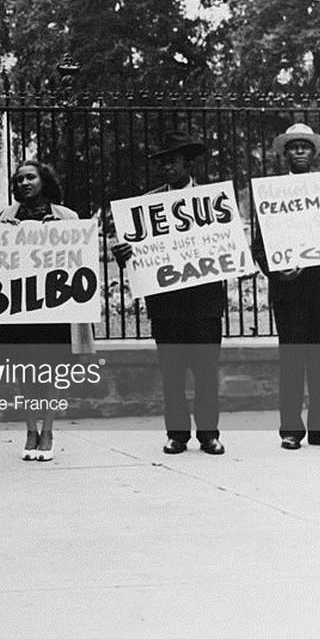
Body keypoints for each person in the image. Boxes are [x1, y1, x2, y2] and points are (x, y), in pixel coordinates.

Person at [112, 131, 226, 455]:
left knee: (206, 371)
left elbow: (228, 245)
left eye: (172, 162)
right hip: (166, 303)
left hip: (204, 301)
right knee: (172, 371)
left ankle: (209, 435)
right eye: (162, 164)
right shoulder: (147, 205)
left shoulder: (213, 201)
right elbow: (136, 253)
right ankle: (177, 434)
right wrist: (124, 253)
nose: (166, 169)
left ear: (188, 163)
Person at [0, 161, 94, 461]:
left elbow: (79, 258)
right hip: (18, 309)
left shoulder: (66, 217)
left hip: (54, 308)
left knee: (52, 371)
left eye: (30, 177)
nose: (25, 183)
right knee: (23, 370)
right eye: (19, 180)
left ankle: (48, 431)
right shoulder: (5, 217)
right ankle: (30, 430)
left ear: (43, 180)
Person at [252, 123, 320, 450]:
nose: (299, 151)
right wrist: (277, 270)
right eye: (293, 147)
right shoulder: (272, 195)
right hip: (290, 291)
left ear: (313, 153)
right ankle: (291, 430)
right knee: (293, 361)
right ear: (285, 154)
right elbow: (259, 246)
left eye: (305, 147)